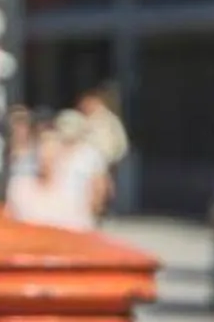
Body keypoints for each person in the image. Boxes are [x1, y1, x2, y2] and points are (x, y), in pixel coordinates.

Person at [7, 117, 111, 231]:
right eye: (42, 150)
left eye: (51, 153)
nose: (46, 157)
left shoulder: (74, 198)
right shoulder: (18, 188)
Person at [75, 83, 134, 217]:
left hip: (102, 162)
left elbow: (119, 144)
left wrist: (109, 160)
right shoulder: (86, 120)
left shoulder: (107, 121)